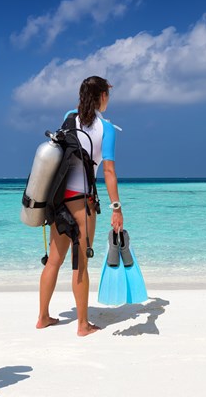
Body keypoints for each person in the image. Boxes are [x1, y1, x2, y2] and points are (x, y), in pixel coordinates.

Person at [36, 76, 123, 337]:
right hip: (83, 202)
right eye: (108, 93)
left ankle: (43, 317)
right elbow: (108, 170)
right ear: (101, 97)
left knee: (54, 260)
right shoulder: (106, 129)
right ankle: (83, 325)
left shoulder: (69, 117)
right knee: (81, 262)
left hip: (60, 200)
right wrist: (116, 207)